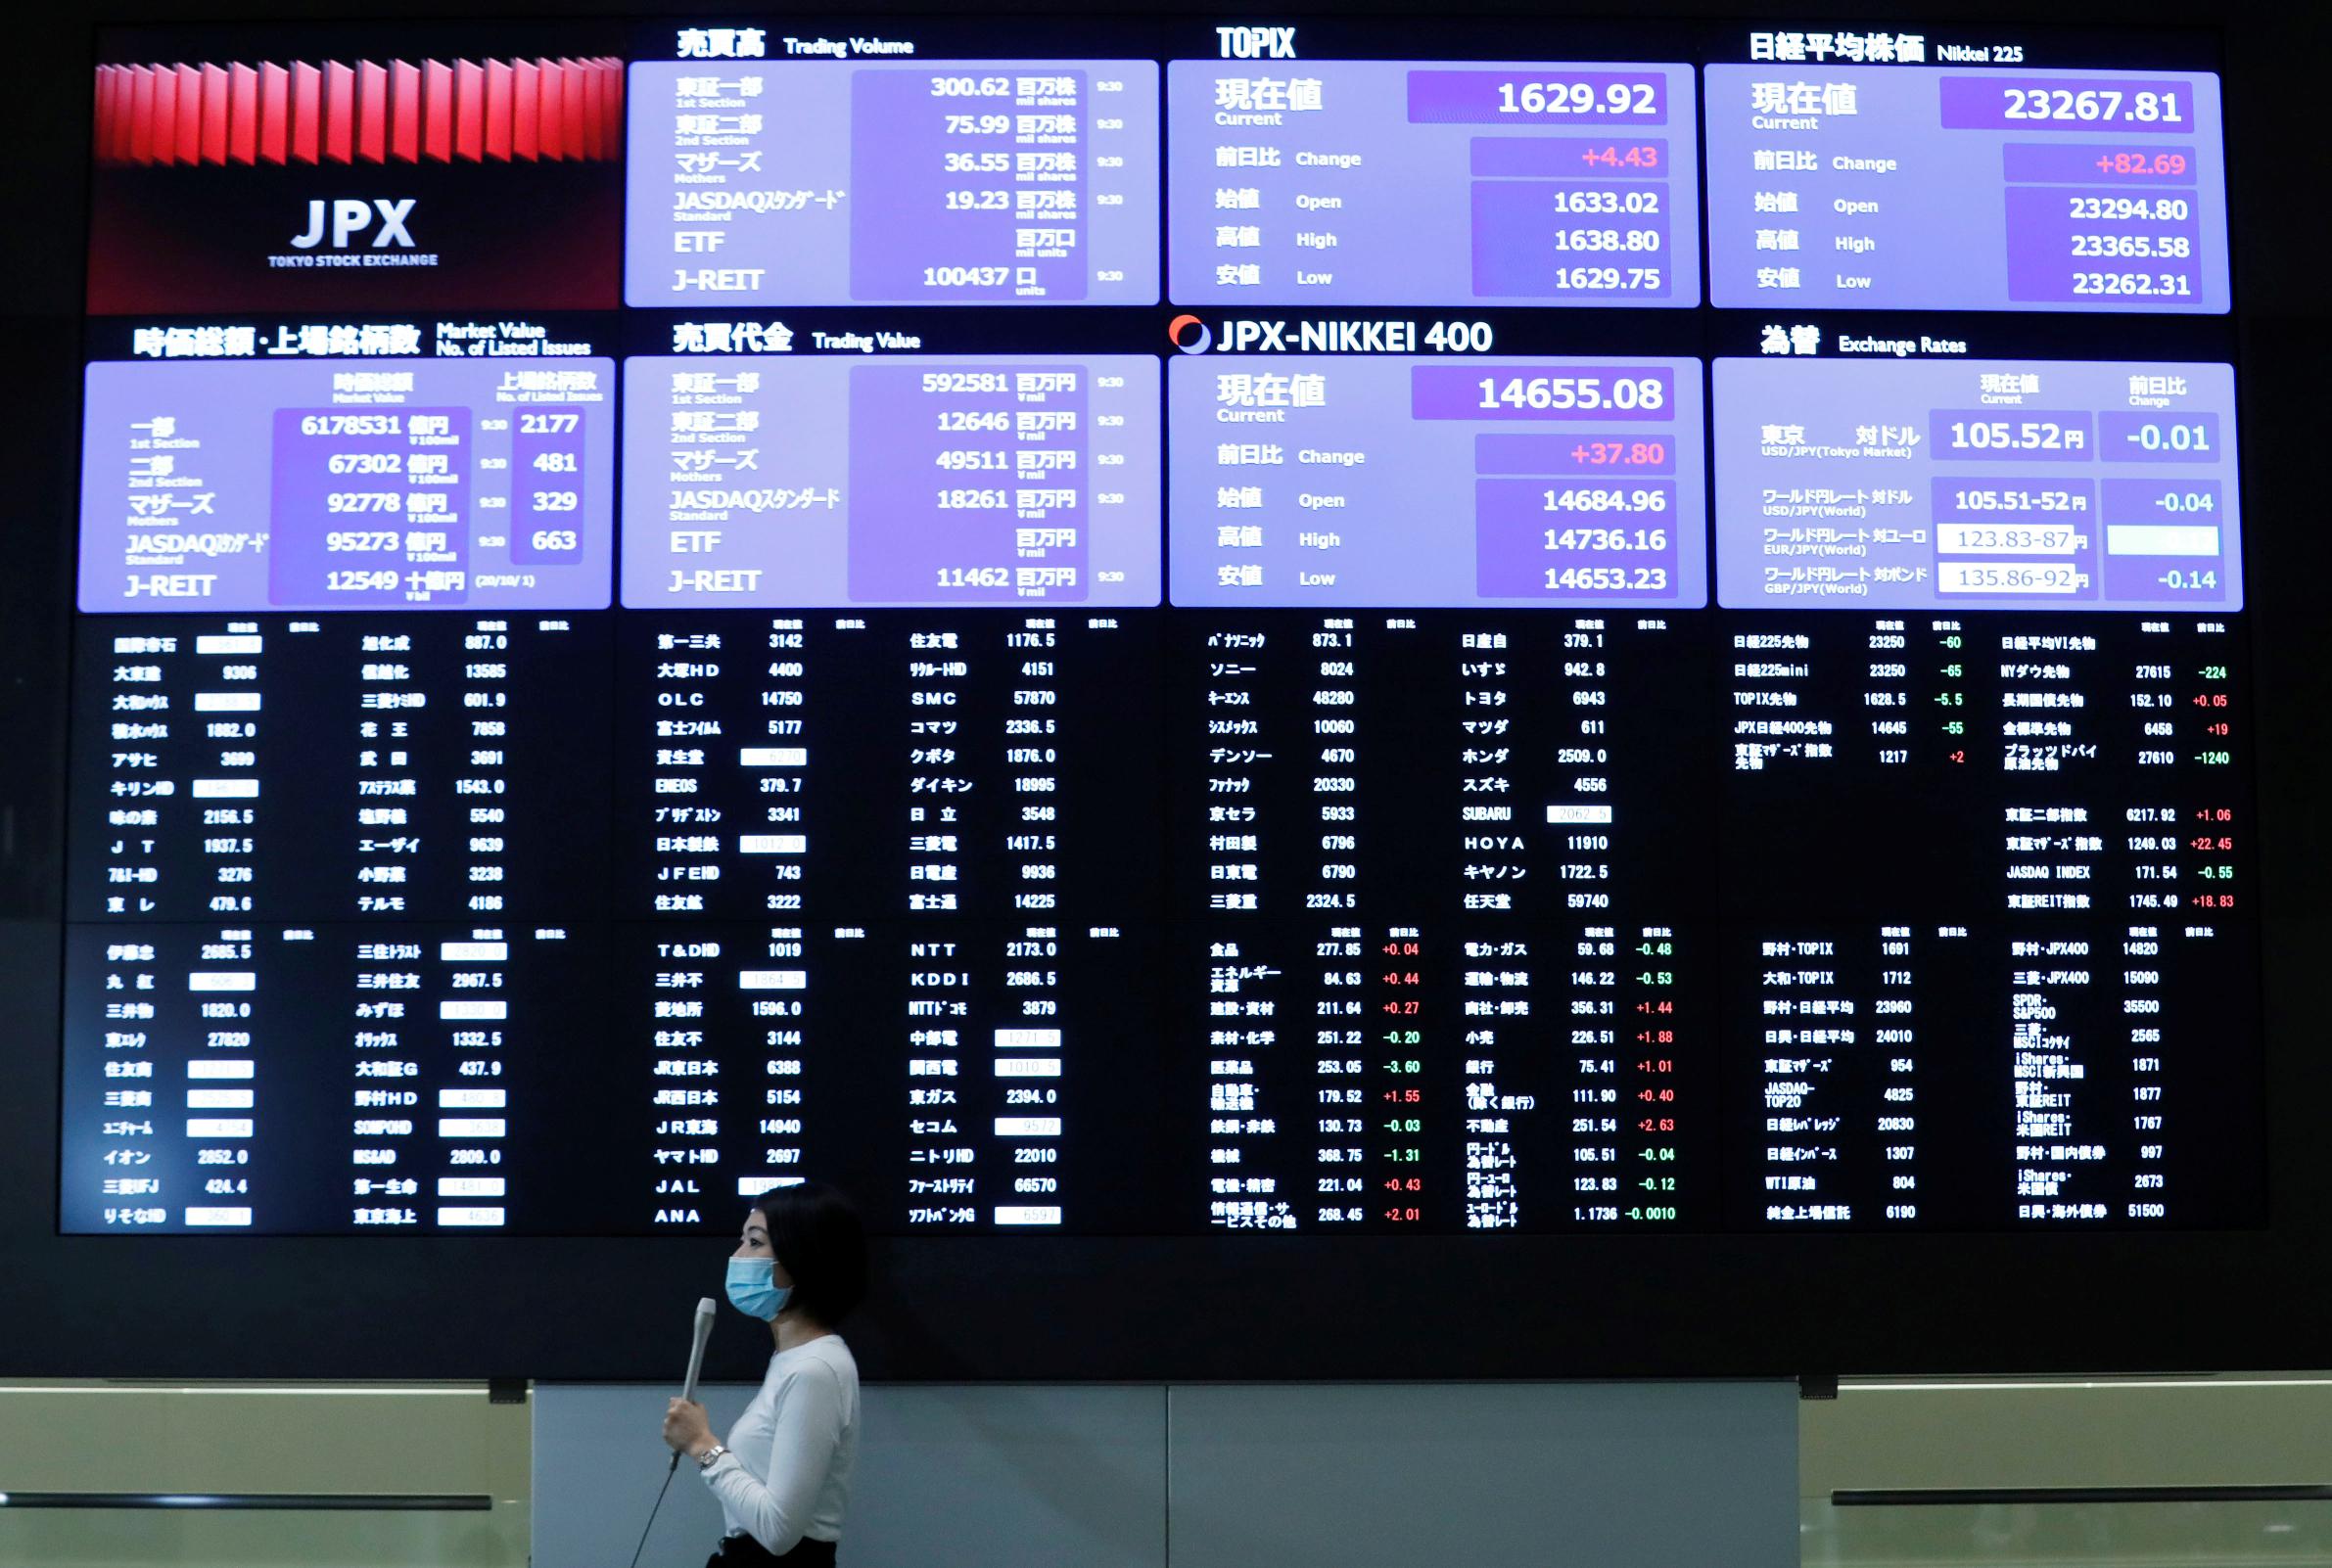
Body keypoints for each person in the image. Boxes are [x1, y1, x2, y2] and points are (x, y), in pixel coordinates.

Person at [662, 1181, 867, 1565]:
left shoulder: (814, 1370)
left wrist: (702, 1445)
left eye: (755, 1243)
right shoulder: (792, 1360)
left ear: (803, 1258)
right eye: (742, 1241)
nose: (738, 1256)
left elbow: (778, 1531)